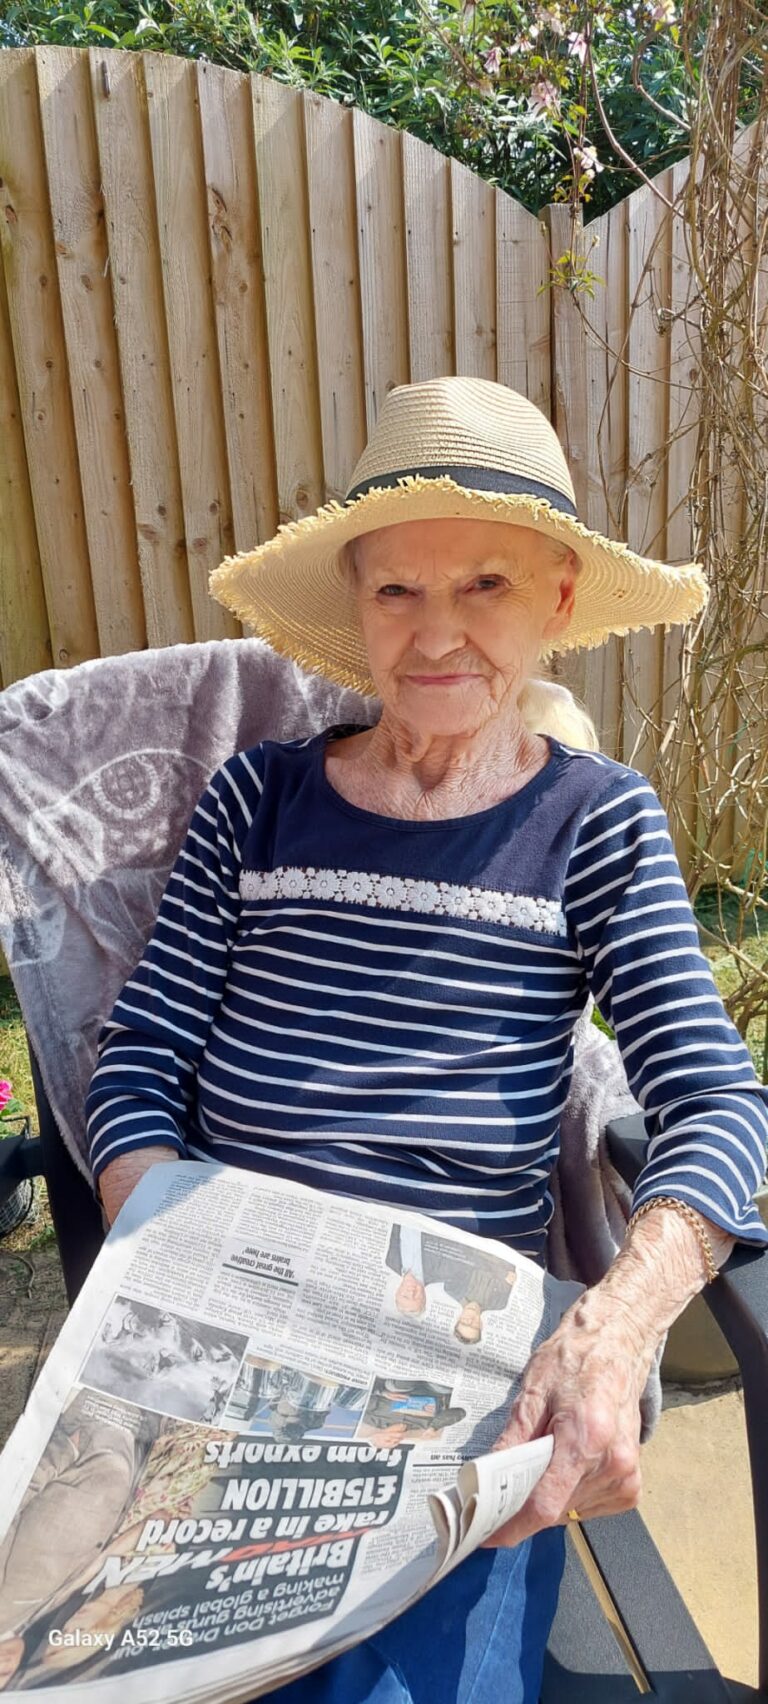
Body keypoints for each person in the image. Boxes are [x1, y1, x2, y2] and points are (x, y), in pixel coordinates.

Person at [84, 377, 768, 1704]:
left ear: (558, 600)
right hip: (221, 1337)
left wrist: (616, 1330)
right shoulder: (257, 801)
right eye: (396, 588)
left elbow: (719, 1104)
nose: (436, 632)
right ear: (355, 604)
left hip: (446, 1379)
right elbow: (141, 1056)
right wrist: (158, 1244)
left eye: (486, 585)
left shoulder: (594, 824)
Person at [386, 1223, 517, 1341]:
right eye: (473, 1326)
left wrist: (501, 1275)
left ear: (396, 1292)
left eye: (405, 1296)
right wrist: (503, 1273)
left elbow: (476, 1260)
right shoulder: (499, 1303)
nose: (411, 1292)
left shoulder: (390, 1261)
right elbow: (479, 1258)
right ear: (481, 1326)